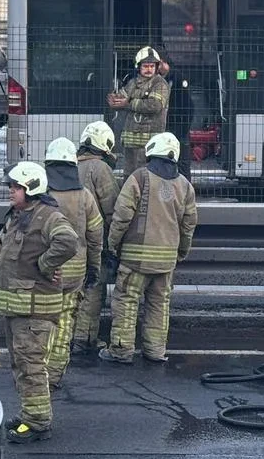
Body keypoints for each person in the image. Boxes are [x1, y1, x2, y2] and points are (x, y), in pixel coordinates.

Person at [0, 160, 79, 442]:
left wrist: (46, 264)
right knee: (22, 365)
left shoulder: (48, 216)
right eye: (11, 187)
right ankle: (30, 413)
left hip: (33, 310)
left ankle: (37, 422)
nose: (11, 192)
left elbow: (68, 242)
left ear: (31, 188)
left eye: (16, 187)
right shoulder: (18, 215)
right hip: (18, 307)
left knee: (31, 365)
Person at [100, 132, 198, 365]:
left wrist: (113, 245)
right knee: (159, 304)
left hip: (136, 259)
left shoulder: (139, 178)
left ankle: (121, 350)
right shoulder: (184, 185)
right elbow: (189, 224)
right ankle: (155, 351)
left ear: (151, 150)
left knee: (126, 301)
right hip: (166, 261)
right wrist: (181, 251)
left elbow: (122, 216)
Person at [42, 137, 103, 389]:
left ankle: (40, 374)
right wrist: (94, 266)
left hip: (46, 270)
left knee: (44, 321)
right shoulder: (84, 195)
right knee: (66, 321)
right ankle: (55, 374)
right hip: (76, 269)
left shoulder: (41, 193)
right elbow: (96, 234)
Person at [72, 121, 122, 354]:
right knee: (93, 288)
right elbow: (112, 208)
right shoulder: (100, 169)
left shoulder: (67, 164)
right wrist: (114, 243)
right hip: (93, 240)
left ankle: (65, 335)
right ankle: (85, 337)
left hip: (65, 239)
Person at [107, 45, 170, 175]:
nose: (149, 69)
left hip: (149, 144)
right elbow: (122, 97)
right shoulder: (133, 83)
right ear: (138, 66)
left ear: (157, 67)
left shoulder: (160, 84)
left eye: (152, 66)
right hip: (130, 143)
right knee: (129, 175)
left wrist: (128, 103)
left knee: (145, 177)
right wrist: (114, 99)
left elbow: (155, 105)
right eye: (145, 66)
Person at [156, 50, 194, 179]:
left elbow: (187, 105)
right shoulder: (163, 79)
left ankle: (184, 188)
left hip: (179, 124)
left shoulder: (176, 78)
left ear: (162, 62)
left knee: (181, 159)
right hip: (171, 124)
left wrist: (182, 128)